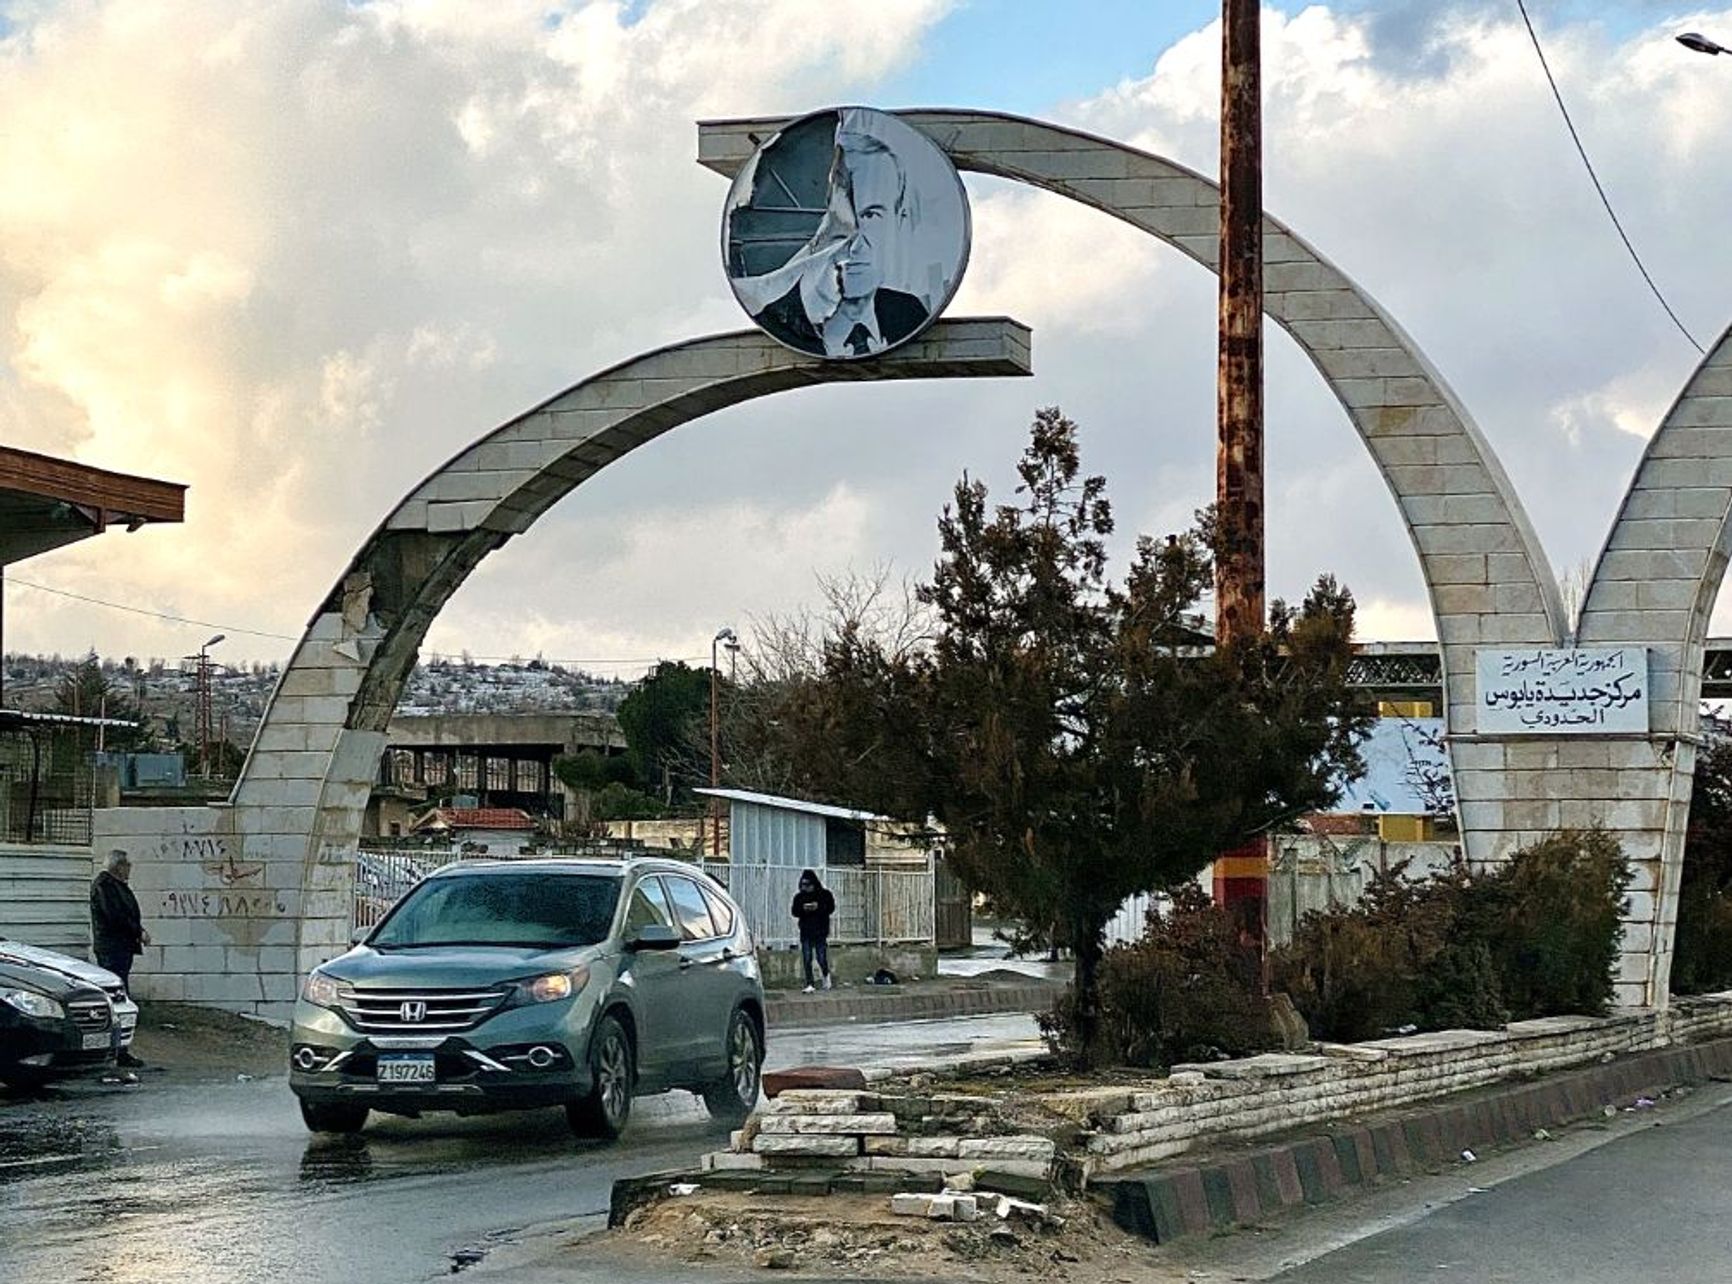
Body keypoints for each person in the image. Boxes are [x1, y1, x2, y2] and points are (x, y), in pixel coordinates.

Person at [750, 130, 930, 358]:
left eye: (871, 215)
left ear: (898, 221)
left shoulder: (910, 313)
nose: (854, 244)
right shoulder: (774, 316)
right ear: (828, 212)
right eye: (844, 217)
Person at [91, 849, 148, 1068]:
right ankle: (116, 1050)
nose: (130, 870)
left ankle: (119, 1049)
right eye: (127, 866)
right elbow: (115, 916)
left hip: (119, 947)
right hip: (112, 948)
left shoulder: (115, 885)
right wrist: (137, 931)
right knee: (117, 998)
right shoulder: (105, 886)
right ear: (119, 866)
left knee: (119, 996)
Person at [790, 869, 836, 993]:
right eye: (803, 884)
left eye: (808, 884)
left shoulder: (824, 895)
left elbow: (831, 908)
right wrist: (804, 909)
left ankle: (826, 976)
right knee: (807, 958)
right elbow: (794, 911)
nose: (805, 887)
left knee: (821, 957)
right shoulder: (799, 897)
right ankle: (810, 983)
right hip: (806, 932)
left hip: (820, 931)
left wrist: (818, 907)